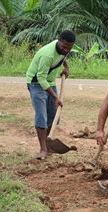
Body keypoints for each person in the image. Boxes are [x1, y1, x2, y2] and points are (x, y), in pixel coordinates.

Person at [26, 30, 76, 160]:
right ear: (58, 41)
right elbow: (40, 78)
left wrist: (66, 69)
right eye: (64, 47)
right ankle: (43, 149)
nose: (65, 50)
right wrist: (55, 97)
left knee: (53, 116)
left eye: (69, 48)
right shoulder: (47, 54)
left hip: (49, 81)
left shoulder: (65, 49)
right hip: (36, 83)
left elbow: (62, 58)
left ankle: (48, 144)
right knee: (41, 116)